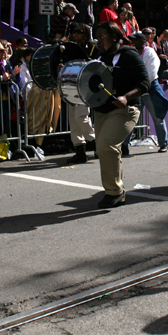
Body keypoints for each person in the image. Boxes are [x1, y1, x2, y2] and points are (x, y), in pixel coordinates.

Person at [93, 21, 149, 208]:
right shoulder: (98, 57)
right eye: (97, 37)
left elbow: (145, 82)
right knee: (104, 149)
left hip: (125, 110)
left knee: (107, 145)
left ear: (115, 37)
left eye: (102, 37)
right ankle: (115, 190)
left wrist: (126, 97)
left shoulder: (128, 55)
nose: (98, 41)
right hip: (102, 110)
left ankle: (114, 192)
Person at [129, 32, 168, 152]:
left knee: (157, 117)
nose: (133, 42)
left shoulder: (150, 53)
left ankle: (164, 143)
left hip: (150, 88)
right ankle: (124, 145)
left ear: (143, 41)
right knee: (130, 117)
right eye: (132, 40)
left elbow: (151, 73)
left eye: (135, 40)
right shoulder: (132, 53)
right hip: (136, 89)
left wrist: (140, 85)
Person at [66, 23, 97, 164]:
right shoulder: (70, 47)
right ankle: (79, 150)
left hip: (84, 86)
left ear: (86, 33)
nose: (76, 34)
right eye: (74, 31)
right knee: (73, 119)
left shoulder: (91, 46)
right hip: (71, 85)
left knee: (81, 117)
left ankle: (95, 141)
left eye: (79, 31)